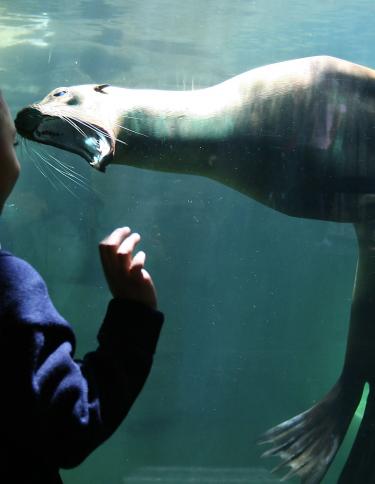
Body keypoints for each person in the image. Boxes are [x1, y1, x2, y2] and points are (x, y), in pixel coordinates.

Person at [0, 91, 164, 483]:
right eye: (11, 142)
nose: (18, 154)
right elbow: (72, 426)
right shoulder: (9, 288)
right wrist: (134, 315)